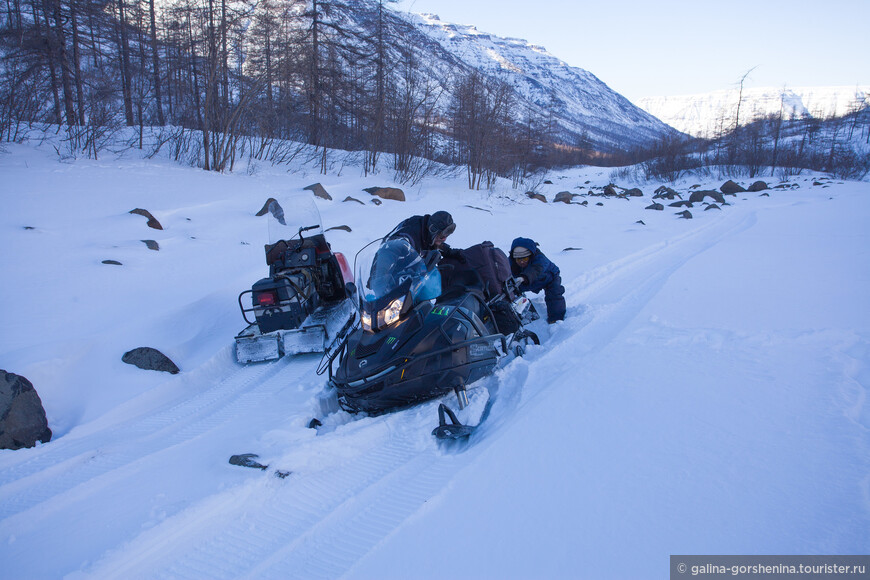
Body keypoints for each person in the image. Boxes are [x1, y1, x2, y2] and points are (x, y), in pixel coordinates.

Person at [510, 237, 566, 324]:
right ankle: (519, 317)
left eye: (524, 259)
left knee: (554, 294)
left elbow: (536, 270)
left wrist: (523, 277)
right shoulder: (510, 262)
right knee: (511, 293)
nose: (521, 262)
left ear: (530, 256)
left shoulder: (540, 259)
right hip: (525, 282)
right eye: (518, 259)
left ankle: (556, 319)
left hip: (548, 278)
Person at [386, 211, 460, 258]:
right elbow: (389, 252)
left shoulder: (426, 230)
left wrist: (448, 251)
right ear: (432, 230)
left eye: (447, 235)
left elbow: (432, 243)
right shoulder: (408, 238)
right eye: (441, 236)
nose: (444, 239)